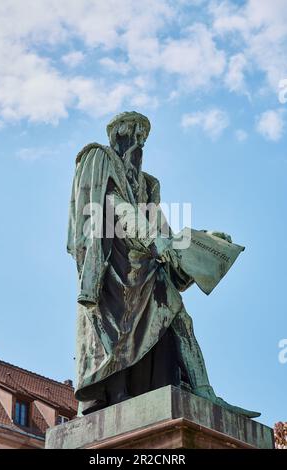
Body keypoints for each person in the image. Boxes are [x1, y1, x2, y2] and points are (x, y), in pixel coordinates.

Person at [67, 111, 260, 418]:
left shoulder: (147, 184)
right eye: (134, 131)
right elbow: (114, 207)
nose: (140, 140)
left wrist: (203, 241)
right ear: (117, 134)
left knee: (180, 317)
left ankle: (205, 393)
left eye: (144, 135)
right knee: (115, 337)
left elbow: (164, 231)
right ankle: (118, 393)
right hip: (112, 271)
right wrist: (152, 238)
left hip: (146, 269)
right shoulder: (98, 158)